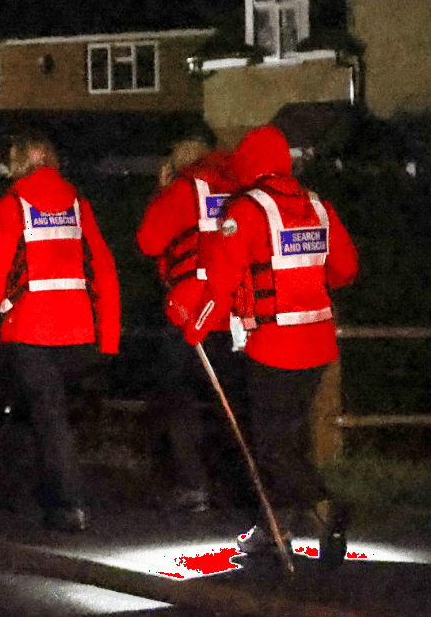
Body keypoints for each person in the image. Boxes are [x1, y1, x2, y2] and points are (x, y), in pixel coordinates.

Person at [188, 124, 358, 563]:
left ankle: (326, 507)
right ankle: (277, 525)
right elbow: (345, 270)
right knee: (290, 438)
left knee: (268, 446)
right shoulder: (318, 206)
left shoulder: (247, 210)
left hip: (274, 347)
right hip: (318, 345)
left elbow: (222, 280)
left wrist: (196, 322)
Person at [0, 131, 121, 532]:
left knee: (46, 415)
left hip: (32, 328)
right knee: (39, 411)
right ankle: (28, 494)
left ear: (18, 162)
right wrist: (110, 333)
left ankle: (68, 505)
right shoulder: (78, 204)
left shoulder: (12, 205)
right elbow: (103, 269)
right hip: (79, 330)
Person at [136, 134, 248, 513]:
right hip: (234, 310)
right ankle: (240, 486)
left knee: (180, 398)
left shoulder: (184, 189)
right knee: (231, 403)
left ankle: (193, 483)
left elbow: (149, 240)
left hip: (190, 310)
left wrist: (163, 189)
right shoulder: (240, 188)